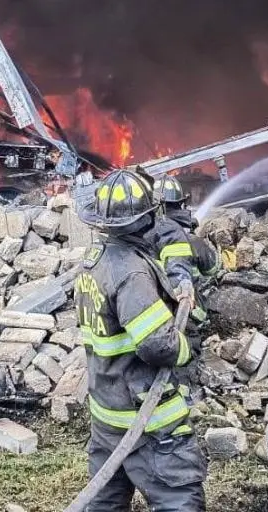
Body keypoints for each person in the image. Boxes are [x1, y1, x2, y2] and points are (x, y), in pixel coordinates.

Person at [75, 168, 207, 512]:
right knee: (180, 500)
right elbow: (156, 345)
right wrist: (186, 348)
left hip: (107, 414)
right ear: (146, 219)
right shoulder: (131, 273)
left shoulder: (94, 263)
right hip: (147, 419)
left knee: (104, 504)